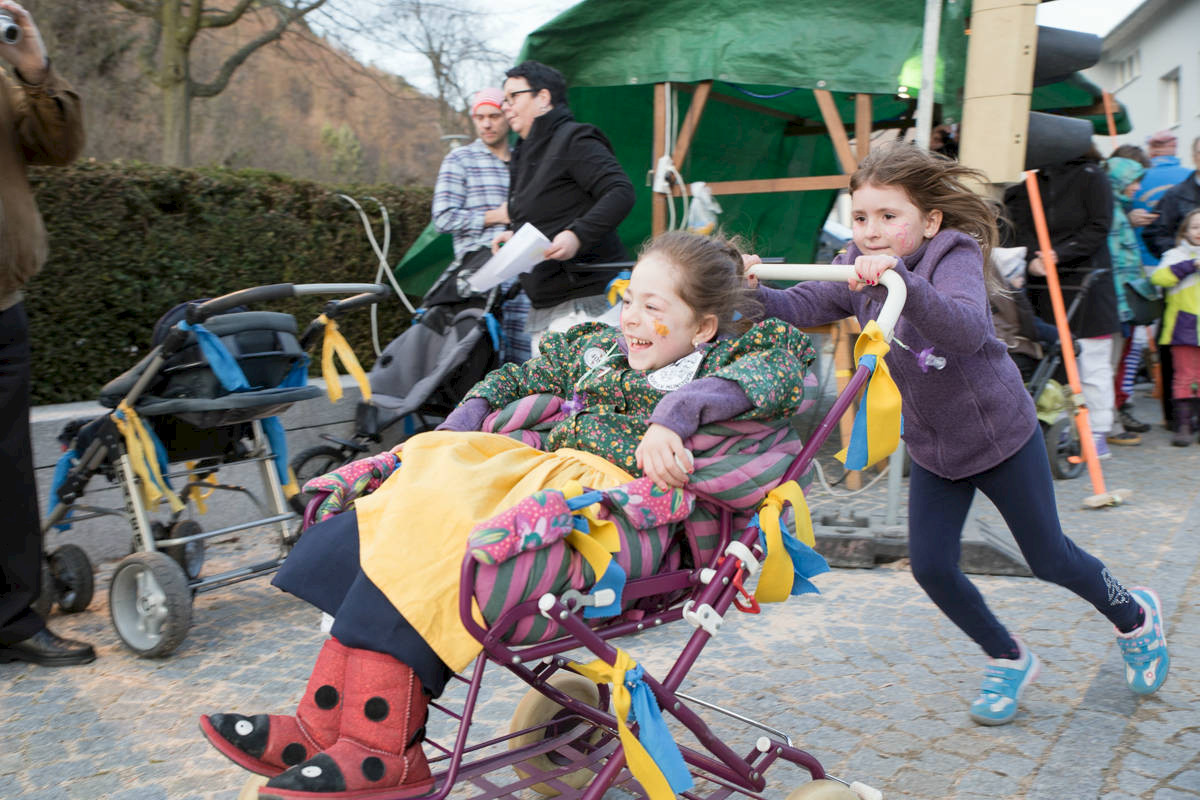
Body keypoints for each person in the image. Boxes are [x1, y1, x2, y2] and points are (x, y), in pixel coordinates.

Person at [199, 231, 817, 798]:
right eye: (630, 298)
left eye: (654, 308)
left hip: (605, 507)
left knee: (450, 549)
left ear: (703, 326)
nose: (631, 317)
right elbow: (520, 377)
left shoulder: (728, 362)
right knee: (406, 515)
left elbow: (772, 374)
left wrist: (672, 418)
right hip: (533, 472)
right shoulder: (596, 350)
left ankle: (382, 747)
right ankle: (324, 721)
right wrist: (459, 426)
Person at [711, 142, 1165, 727]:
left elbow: (967, 329)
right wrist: (750, 289)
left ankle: (1135, 616)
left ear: (929, 221)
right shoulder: (856, 264)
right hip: (935, 448)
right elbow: (799, 305)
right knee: (930, 566)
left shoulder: (952, 253)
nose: (871, 231)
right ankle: (1008, 656)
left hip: (1000, 437)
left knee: (1049, 557)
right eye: (861, 217)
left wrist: (901, 281)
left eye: (888, 216)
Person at [0, 2, 92, 668]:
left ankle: (12, 622)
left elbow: (58, 147)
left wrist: (34, 70)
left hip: (3, 303)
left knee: (8, 474)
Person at [493, 60, 635, 353]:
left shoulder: (574, 139)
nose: (505, 107)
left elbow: (620, 191)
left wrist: (577, 235)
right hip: (544, 307)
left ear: (543, 98)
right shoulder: (522, 153)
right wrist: (513, 236)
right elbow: (545, 213)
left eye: (513, 97)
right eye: (504, 99)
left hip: (588, 305)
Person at [1004, 146, 1124, 458]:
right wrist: (1033, 258)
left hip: (1088, 283)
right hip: (1043, 284)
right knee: (1054, 362)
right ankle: (1061, 427)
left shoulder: (1092, 177)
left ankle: (1096, 430)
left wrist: (1060, 254)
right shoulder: (1029, 183)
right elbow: (1019, 226)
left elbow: (1099, 225)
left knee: (1093, 363)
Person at [431, 87, 531, 363]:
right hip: (479, 282)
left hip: (523, 280)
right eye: (480, 117)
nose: (486, 124)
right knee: (479, 362)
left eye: (494, 116)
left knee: (524, 362)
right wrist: (495, 216)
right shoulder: (460, 159)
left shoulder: (524, 162)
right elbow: (442, 218)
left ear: (507, 116)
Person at [1105, 155, 1150, 441]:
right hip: (1117, 303)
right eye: (1133, 181)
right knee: (1108, 365)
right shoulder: (1112, 213)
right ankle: (1107, 426)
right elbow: (1113, 264)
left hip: (1121, 301)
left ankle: (1111, 420)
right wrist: (1122, 308)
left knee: (1116, 362)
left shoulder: (1119, 210)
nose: (1137, 187)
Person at [1151, 208, 1200, 446]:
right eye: (1195, 227)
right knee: (1185, 377)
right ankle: (1183, 425)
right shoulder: (1175, 255)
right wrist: (1191, 265)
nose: (1199, 232)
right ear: (1185, 231)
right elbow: (1159, 278)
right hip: (1184, 327)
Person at [1142, 133, 1199, 262]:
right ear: (1193, 157)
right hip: (1189, 270)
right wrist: (1182, 257)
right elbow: (1154, 234)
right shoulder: (1175, 194)